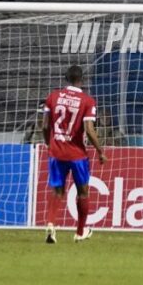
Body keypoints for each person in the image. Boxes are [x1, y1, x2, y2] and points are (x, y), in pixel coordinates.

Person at [39, 65, 106, 243]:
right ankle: (80, 231)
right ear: (81, 80)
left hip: (56, 152)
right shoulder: (87, 101)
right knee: (83, 192)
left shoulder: (53, 96)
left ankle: (51, 225)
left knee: (57, 191)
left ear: (66, 79)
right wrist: (100, 151)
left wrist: (49, 143)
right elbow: (89, 130)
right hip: (77, 155)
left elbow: (45, 126)